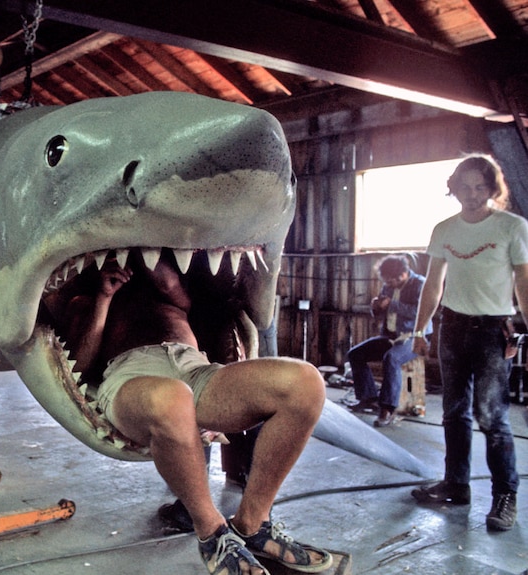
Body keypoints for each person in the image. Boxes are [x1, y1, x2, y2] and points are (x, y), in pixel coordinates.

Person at [65, 252, 333, 575]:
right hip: (129, 377)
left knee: (306, 384)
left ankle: (253, 522)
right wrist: (104, 297)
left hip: (194, 368)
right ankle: (212, 532)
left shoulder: (173, 293)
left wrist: (143, 257)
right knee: (174, 400)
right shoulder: (86, 299)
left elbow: (169, 283)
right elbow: (78, 366)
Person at [410, 154, 525, 532]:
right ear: (454, 188)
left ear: (493, 190)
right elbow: (433, 284)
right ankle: (456, 485)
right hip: (452, 327)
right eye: (465, 187)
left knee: (491, 416)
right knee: (453, 412)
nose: (472, 195)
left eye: (480, 188)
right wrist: (419, 330)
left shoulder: (513, 227)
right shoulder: (444, 229)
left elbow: (524, 282)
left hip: (494, 331)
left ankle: (505, 497)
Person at [346, 255, 430, 427]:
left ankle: (387, 409)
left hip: (415, 337)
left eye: (391, 281)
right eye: (386, 282)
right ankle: (368, 398)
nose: (388, 285)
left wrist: (391, 304)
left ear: (403, 274)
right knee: (355, 354)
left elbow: (420, 313)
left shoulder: (420, 284)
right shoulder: (388, 285)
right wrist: (376, 307)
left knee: (391, 359)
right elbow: (381, 312)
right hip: (390, 336)